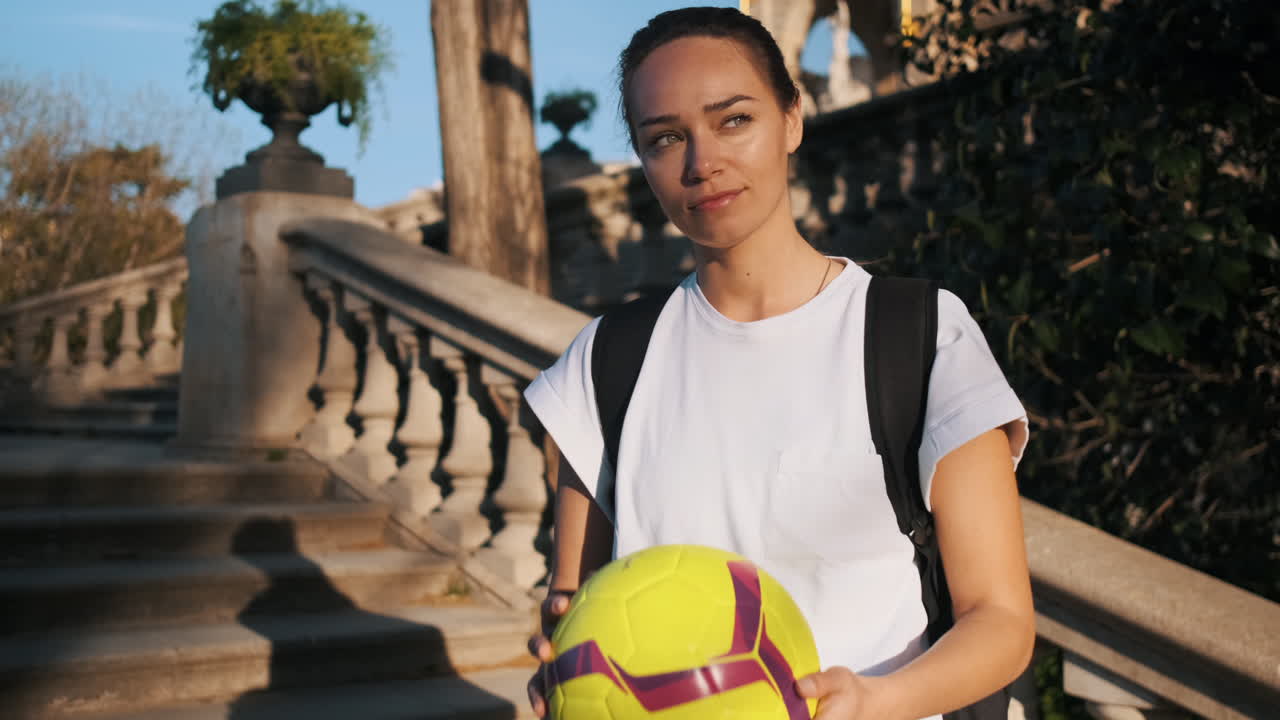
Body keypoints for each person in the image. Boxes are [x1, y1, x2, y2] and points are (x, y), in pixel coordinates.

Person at [522, 7, 1035, 720]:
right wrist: (568, 662)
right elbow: (573, 600)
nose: (703, 163)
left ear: (793, 118)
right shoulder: (607, 360)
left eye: (734, 120)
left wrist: (877, 699)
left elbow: (1001, 621)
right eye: (666, 137)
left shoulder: (917, 334)